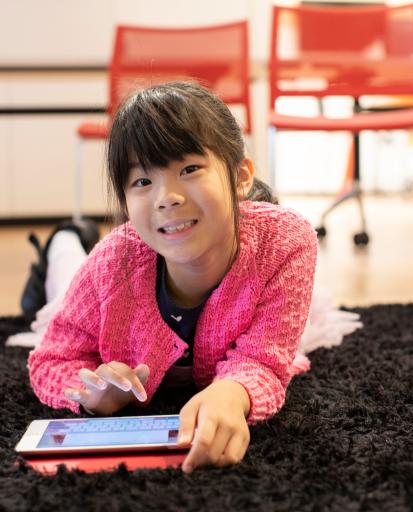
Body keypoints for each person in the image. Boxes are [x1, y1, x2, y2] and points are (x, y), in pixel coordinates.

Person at [27, 81, 319, 474]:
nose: (167, 196)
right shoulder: (112, 263)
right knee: (61, 284)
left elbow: (264, 360)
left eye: (190, 169)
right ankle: (64, 237)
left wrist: (233, 393)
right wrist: (91, 395)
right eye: (143, 182)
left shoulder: (284, 243)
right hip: (99, 272)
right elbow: (51, 360)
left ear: (240, 176)